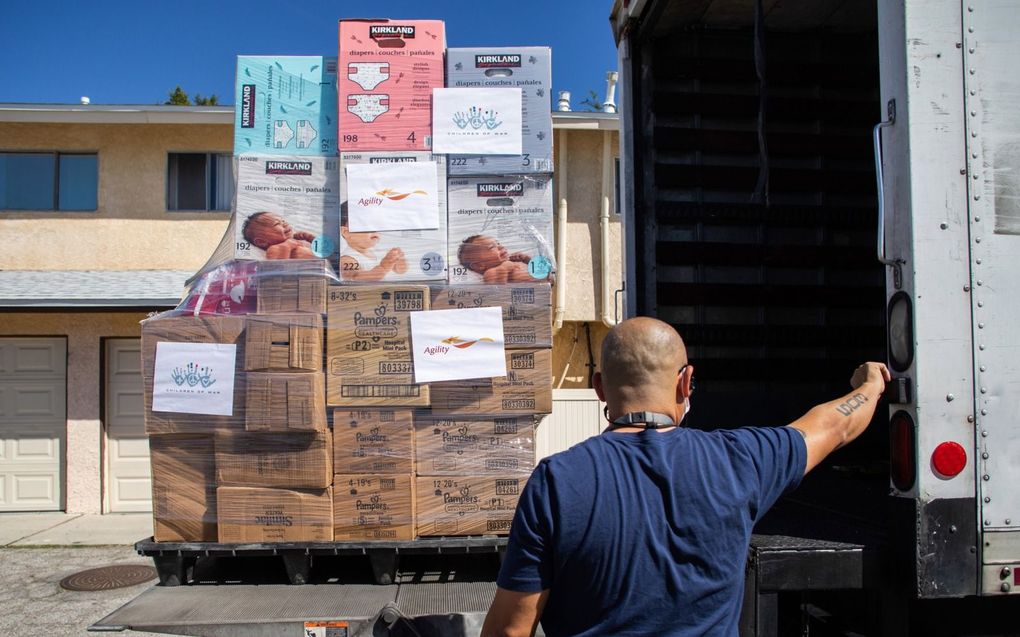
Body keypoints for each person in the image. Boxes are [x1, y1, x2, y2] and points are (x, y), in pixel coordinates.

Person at [482, 317, 890, 637]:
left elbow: (510, 629)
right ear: (686, 381)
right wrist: (870, 386)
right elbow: (832, 426)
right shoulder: (742, 459)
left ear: (600, 388)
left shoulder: (557, 480)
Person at [339, 204, 407, 281]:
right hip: (366, 292)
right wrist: (383, 268)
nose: (374, 229)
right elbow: (356, 279)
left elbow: (400, 271)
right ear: (346, 232)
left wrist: (398, 261)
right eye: (366, 225)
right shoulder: (347, 259)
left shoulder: (379, 251)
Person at [457, 235, 546, 284]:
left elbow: (541, 273)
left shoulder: (511, 263)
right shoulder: (491, 273)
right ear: (479, 265)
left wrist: (527, 259)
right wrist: (504, 268)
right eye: (492, 247)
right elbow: (497, 293)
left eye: (498, 243)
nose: (500, 246)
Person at [241, 211, 316, 260]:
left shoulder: (299, 241)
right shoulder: (275, 249)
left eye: (283, 221)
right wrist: (287, 245)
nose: (285, 223)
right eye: (277, 224)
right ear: (262, 242)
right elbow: (278, 267)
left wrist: (310, 238)